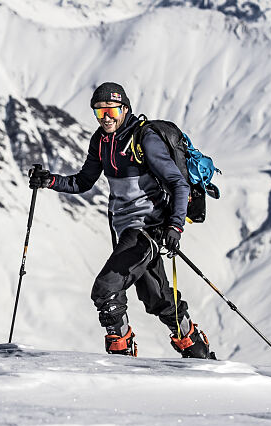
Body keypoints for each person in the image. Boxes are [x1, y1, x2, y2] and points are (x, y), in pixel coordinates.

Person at [29, 82, 214, 359]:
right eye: (99, 111)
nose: (106, 116)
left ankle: (121, 361)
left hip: (146, 230)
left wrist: (175, 226)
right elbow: (82, 181)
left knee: (105, 290)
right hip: (126, 230)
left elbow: (178, 184)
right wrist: (50, 181)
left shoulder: (145, 140)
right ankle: (200, 356)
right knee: (158, 300)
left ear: (125, 108)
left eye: (112, 110)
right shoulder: (100, 141)